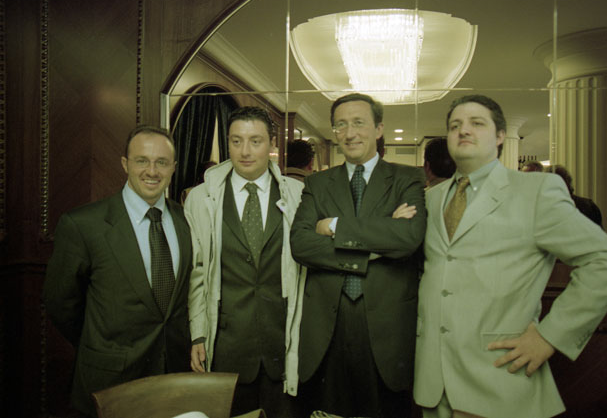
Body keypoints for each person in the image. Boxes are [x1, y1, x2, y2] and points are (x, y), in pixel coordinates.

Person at [413, 95, 607, 418]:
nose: (463, 130)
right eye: (455, 126)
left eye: (477, 123)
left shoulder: (536, 192)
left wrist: (550, 336)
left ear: (500, 136)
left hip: (499, 376)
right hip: (434, 383)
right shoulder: (431, 200)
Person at [291, 93, 426, 418]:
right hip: (327, 328)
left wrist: (334, 225)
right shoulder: (317, 183)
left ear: (378, 129)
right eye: (341, 125)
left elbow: (407, 238)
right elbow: (301, 244)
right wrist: (379, 238)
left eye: (359, 123)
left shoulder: (407, 178)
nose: (350, 133)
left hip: (387, 328)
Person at [44, 126, 193, 417]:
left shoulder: (187, 219)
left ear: (173, 167)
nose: (152, 171)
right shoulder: (83, 224)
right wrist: (100, 343)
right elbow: (60, 303)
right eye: (142, 160)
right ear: (125, 164)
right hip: (110, 379)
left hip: (175, 375)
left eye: (162, 162)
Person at [185, 107, 304, 418]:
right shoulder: (201, 199)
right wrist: (198, 333)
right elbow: (197, 272)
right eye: (236, 141)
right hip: (227, 345)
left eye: (255, 141)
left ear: (272, 144)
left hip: (283, 343)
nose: (245, 151)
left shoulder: (298, 195)